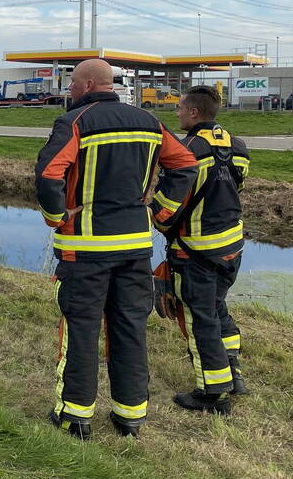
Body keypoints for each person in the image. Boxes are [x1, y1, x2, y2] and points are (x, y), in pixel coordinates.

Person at [35, 59, 198, 439]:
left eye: (72, 83)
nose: (69, 89)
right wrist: (160, 209)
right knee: (129, 327)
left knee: (82, 328)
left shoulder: (75, 123)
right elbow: (186, 165)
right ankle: (130, 417)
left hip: (85, 250)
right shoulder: (148, 121)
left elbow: (47, 175)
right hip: (135, 249)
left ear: (90, 84)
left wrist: (57, 216)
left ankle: (74, 416)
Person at [152, 85, 251, 415]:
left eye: (180, 108)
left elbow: (169, 204)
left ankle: (212, 393)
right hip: (232, 245)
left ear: (194, 112)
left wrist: (156, 219)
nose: (177, 113)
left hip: (197, 250)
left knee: (199, 318)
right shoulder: (238, 144)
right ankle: (233, 373)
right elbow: (234, 188)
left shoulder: (186, 150)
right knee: (217, 306)